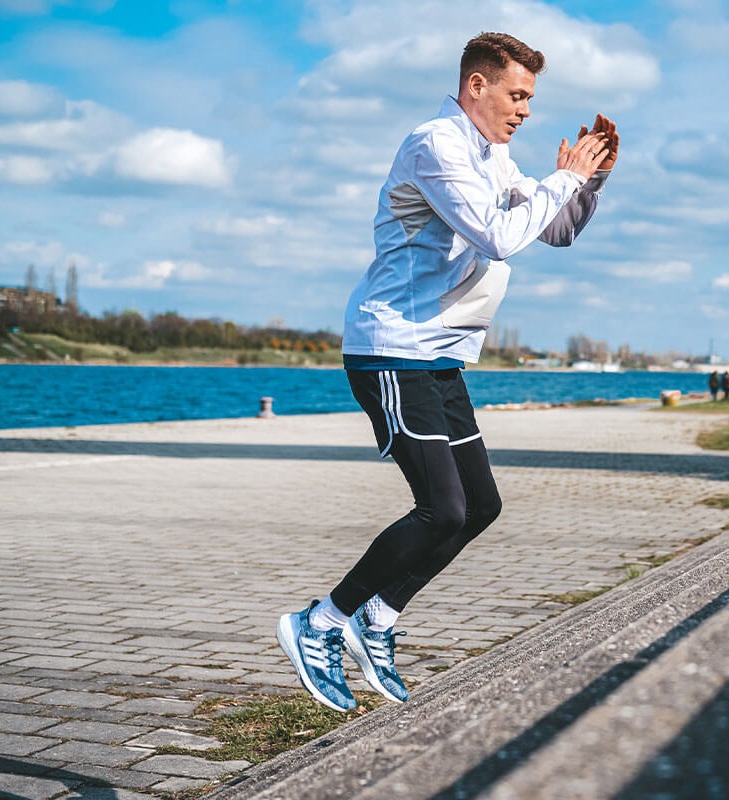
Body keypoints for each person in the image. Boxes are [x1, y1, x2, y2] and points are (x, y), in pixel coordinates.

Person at [276, 32, 619, 711]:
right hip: (389, 349)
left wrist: (592, 179)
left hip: (437, 357)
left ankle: (378, 618)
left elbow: (555, 229)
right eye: (517, 95)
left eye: (530, 98)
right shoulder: (435, 145)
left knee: (480, 507)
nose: (524, 110)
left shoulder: (493, 156)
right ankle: (318, 624)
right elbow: (497, 234)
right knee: (442, 509)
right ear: (477, 86)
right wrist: (568, 178)